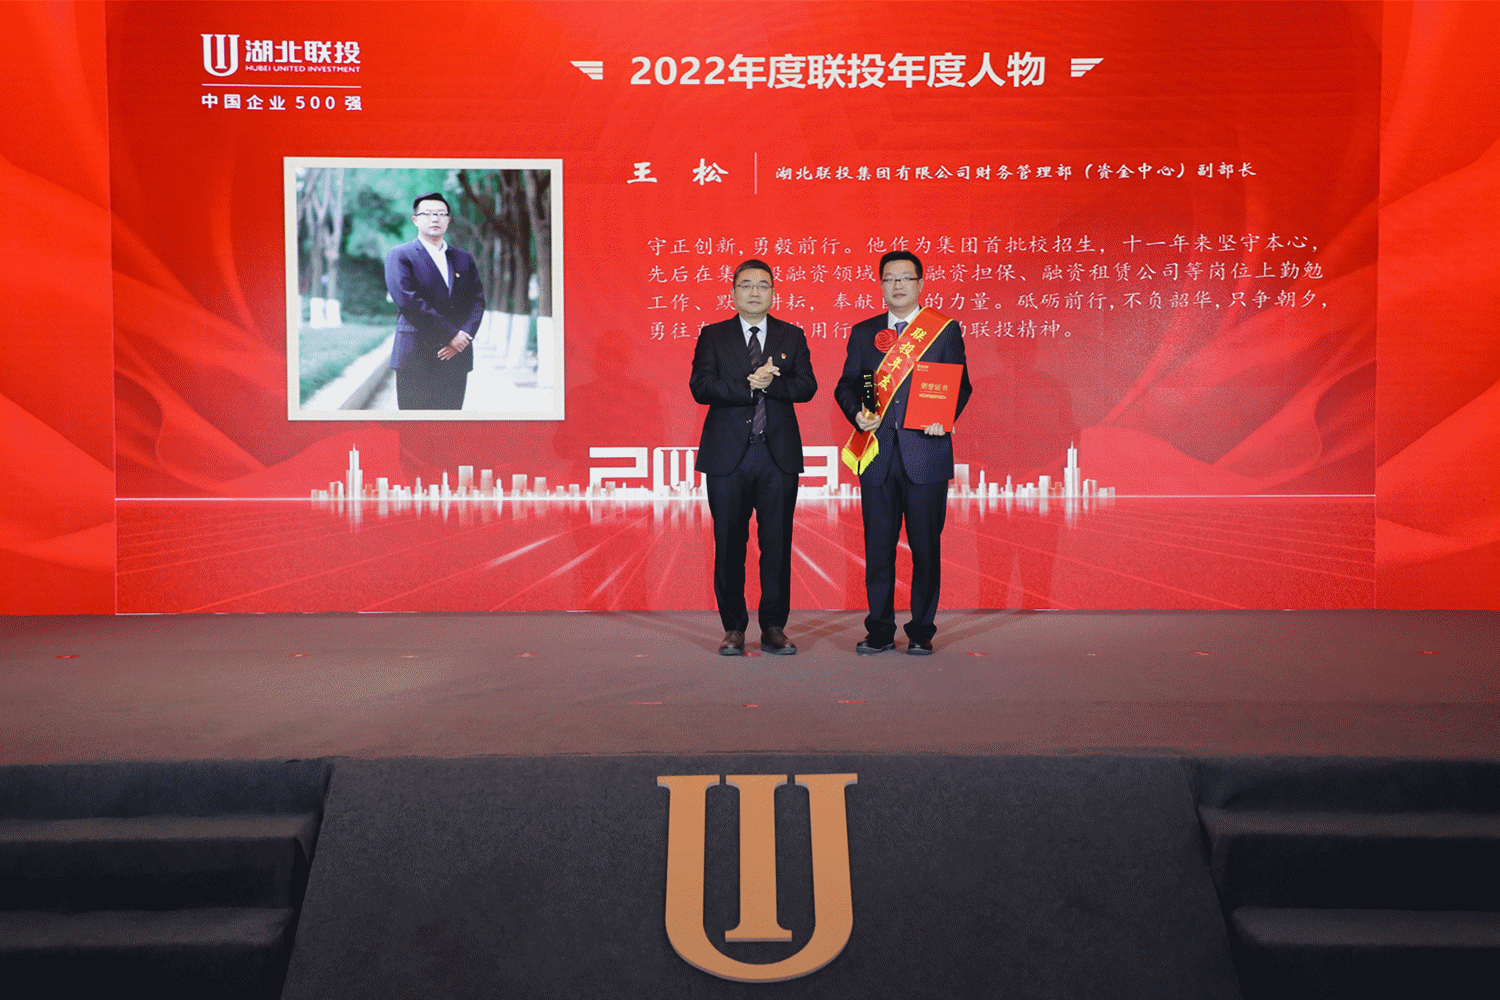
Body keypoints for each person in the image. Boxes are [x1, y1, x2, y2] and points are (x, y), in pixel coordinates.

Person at [835, 250, 972, 655]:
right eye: (889, 278)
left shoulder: (943, 330)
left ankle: (921, 630)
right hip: (876, 455)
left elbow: (960, 384)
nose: (897, 285)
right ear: (880, 285)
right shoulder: (864, 332)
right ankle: (879, 629)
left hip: (925, 453)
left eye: (905, 278)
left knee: (926, 547)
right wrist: (857, 414)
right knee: (878, 547)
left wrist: (944, 417)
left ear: (920, 284)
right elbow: (847, 385)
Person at [690, 260, 817, 656]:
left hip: (777, 456)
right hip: (727, 457)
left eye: (763, 285)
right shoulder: (713, 335)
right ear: (732, 292)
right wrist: (748, 386)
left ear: (774, 293)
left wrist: (772, 382)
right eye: (746, 285)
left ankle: (774, 627)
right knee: (729, 544)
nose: (755, 292)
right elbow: (700, 386)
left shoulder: (791, 335)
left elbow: (807, 386)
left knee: (776, 544)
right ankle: (733, 628)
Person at [384, 193, 486, 409]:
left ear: (448, 220)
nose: (435, 219)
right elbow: (407, 301)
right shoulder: (400, 255)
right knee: (415, 424)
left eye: (441, 214)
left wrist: (463, 338)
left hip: (455, 356)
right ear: (415, 220)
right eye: (428, 214)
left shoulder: (463, 259)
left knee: (449, 424)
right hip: (415, 356)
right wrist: (451, 335)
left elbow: (477, 301)